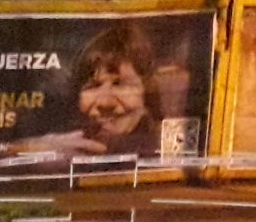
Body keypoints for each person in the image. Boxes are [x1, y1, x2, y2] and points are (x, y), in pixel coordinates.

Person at [10, 22, 164, 159]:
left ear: (147, 91)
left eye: (120, 85)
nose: (105, 102)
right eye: (93, 86)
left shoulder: (165, 147)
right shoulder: (65, 142)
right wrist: (33, 149)